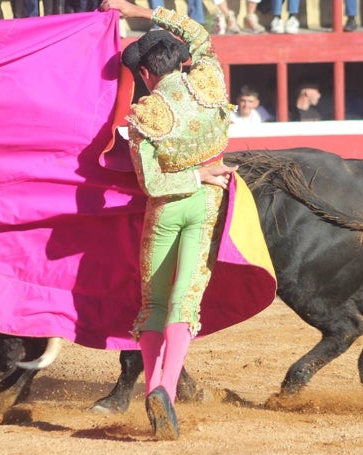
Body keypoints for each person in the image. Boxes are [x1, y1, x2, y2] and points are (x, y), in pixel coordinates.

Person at [100, 0, 242, 440]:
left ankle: (151, 387)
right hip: (206, 203)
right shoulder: (211, 81)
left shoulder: (146, 116)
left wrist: (189, 173)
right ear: (182, 62)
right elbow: (197, 31)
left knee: (154, 304)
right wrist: (137, 8)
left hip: (165, 211)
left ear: (145, 75)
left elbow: (153, 185)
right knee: (186, 299)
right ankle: (166, 389)